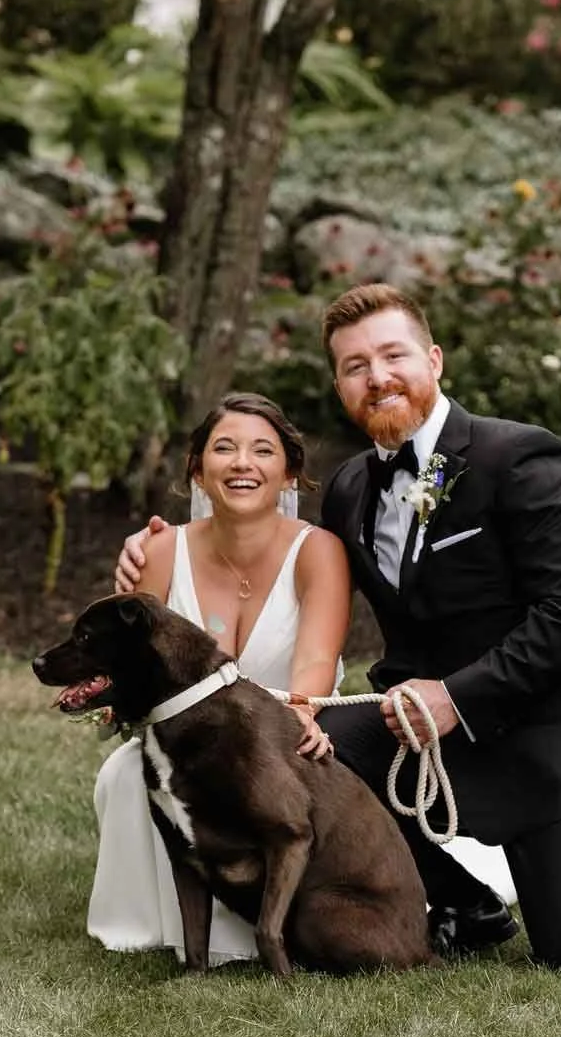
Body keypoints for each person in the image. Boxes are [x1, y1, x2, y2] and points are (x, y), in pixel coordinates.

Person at [118, 284, 561, 968]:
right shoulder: (353, 488)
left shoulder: (525, 457)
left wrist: (457, 695)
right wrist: (155, 552)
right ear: (339, 385)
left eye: (393, 355)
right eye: (355, 366)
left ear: (435, 360)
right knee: (313, 744)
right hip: (424, 735)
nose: (377, 377)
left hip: (550, 737)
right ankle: (462, 904)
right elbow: (282, 560)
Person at [88, 391, 515, 965]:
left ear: (289, 473)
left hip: (283, 733)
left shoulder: (319, 552)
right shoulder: (161, 551)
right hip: (182, 741)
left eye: (263, 451)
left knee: (261, 781)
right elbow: (128, 665)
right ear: (197, 469)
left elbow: (312, 670)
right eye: (224, 449)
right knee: (124, 773)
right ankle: (159, 925)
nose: (243, 463)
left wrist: (302, 712)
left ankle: (286, 918)